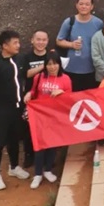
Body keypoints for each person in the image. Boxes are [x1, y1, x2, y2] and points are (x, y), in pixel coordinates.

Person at [0, 30, 29, 190]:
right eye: (15, 43)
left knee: (14, 139)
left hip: (17, 109)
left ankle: (14, 167)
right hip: (1, 111)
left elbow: (24, 76)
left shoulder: (19, 59)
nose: (18, 45)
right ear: (5, 45)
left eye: (18, 42)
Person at [23, 51, 71, 189]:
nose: (52, 67)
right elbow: (33, 91)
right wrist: (28, 94)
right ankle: (37, 174)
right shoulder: (39, 77)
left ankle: (48, 170)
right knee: (39, 145)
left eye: (55, 63)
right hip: (40, 116)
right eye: (49, 64)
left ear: (59, 64)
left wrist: (62, 93)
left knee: (53, 144)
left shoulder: (66, 79)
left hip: (56, 116)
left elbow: (70, 98)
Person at [57, 0, 104, 92]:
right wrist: (71, 44)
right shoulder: (69, 22)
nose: (84, 7)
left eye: (87, 4)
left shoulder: (98, 23)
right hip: (71, 68)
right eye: (81, 4)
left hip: (91, 69)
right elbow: (59, 40)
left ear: (92, 7)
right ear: (76, 5)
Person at [18, 30, 49, 169]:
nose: (41, 42)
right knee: (28, 129)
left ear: (47, 41)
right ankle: (29, 155)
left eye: (44, 40)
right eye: (38, 39)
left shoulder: (51, 56)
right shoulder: (26, 57)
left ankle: (47, 158)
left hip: (47, 98)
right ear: (32, 40)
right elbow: (26, 74)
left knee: (46, 128)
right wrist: (44, 65)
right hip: (30, 97)